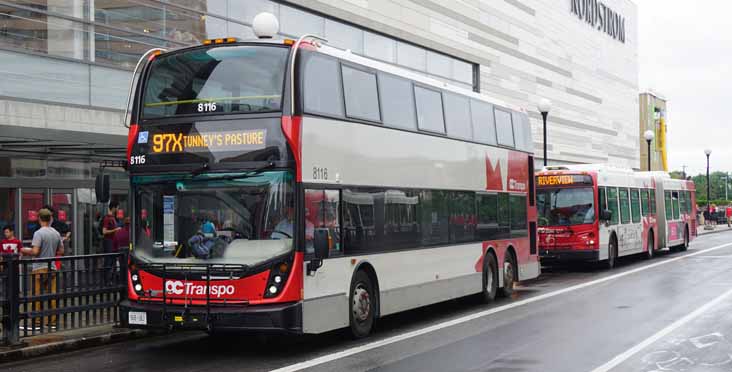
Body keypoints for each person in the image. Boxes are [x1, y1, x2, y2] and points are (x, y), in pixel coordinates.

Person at [19, 209, 63, 329]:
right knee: (52, 295)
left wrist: (24, 250)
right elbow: (61, 251)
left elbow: (35, 251)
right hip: (52, 267)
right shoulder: (56, 233)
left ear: (39, 219)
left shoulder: (38, 233)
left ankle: (36, 322)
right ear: (50, 219)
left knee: (36, 296)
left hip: (39, 268)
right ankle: (53, 322)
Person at [102, 201, 121, 277]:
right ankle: (107, 280)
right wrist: (115, 230)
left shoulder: (112, 218)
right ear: (114, 208)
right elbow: (104, 231)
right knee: (108, 262)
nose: (118, 209)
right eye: (117, 207)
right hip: (109, 242)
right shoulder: (107, 218)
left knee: (112, 261)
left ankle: (110, 279)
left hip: (112, 243)